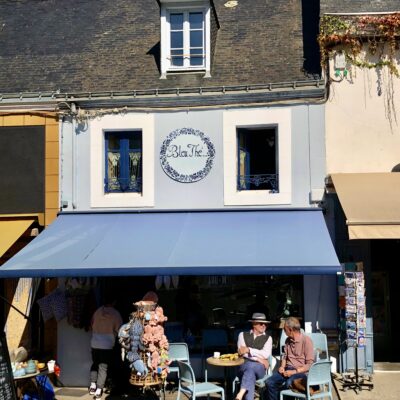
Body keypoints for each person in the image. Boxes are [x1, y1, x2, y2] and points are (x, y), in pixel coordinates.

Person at [266, 317, 314, 400]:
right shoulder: (287, 340)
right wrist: (282, 367)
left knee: (289, 383)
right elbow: (285, 357)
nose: (284, 331)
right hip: (287, 370)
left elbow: (310, 365)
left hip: (301, 372)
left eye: (285, 329)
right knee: (269, 382)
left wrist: (294, 372)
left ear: (290, 329)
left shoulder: (306, 340)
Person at [89, 295, 123, 399]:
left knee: (95, 364)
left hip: (94, 342)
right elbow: (120, 330)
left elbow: (91, 324)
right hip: (107, 345)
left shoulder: (98, 311)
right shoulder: (116, 314)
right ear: (114, 302)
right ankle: (99, 390)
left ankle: (92, 386)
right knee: (103, 367)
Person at [235, 313, 272, 400]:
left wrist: (249, 350)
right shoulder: (242, 335)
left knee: (250, 367)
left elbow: (265, 354)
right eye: (261, 323)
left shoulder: (268, 338)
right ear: (254, 324)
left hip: (259, 369)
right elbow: (242, 353)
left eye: (265, 324)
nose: (264, 325)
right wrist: (260, 359)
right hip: (243, 367)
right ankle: (242, 393)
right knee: (250, 371)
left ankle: (240, 394)